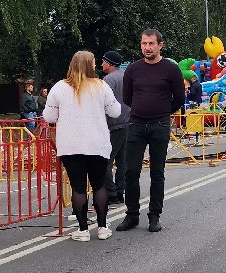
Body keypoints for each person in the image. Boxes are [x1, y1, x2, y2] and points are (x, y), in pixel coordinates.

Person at [44, 50, 122, 242]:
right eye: (94, 62)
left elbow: (49, 117)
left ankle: (83, 230)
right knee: (99, 185)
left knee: (78, 187)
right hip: (97, 144)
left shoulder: (59, 87)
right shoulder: (101, 86)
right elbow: (115, 112)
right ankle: (103, 228)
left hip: (70, 145)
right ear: (90, 65)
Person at [116, 29, 186, 234]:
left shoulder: (171, 69)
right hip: (136, 125)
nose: (147, 47)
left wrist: (162, 111)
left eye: (151, 44)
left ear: (160, 45)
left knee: (157, 172)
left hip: (160, 125)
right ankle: (132, 215)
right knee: (131, 171)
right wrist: (142, 109)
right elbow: (127, 97)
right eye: (144, 43)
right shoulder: (133, 69)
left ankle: (154, 215)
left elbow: (179, 98)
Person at [100, 50, 129, 205]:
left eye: (103, 61)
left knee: (105, 160)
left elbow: (103, 102)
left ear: (109, 63)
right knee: (122, 161)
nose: (101, 64)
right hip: (127, 122)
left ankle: (111, 194)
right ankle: (120, 192)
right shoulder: (125, 76)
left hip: (113, 124)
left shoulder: (108, 80)